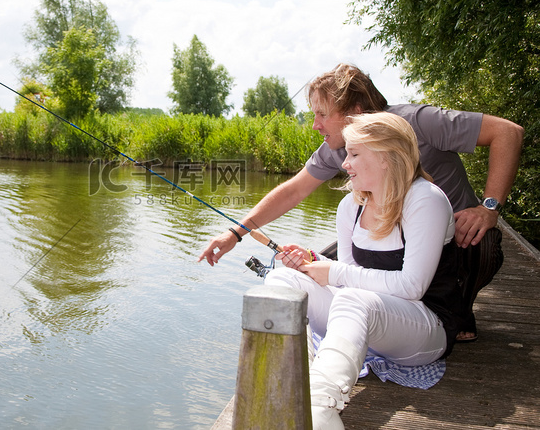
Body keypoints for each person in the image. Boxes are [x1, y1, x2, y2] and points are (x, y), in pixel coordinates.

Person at [198, 63, 524, 342]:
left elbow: (507, 133)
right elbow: (293, 191)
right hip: (386, 250)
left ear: (354, 112)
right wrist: (234, 234)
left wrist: (488, 207)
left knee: (479, 244)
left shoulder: (420, 121)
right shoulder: (338, 147)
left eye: (322, 114)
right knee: (314, 268)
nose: (315, 124)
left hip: (456, 248)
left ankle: (458, 314)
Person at [265, 112, 461, 429]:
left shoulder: (425, 199)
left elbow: (413, 287)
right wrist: (315, 268)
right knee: (283, 278)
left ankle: (320, 407)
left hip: (426, 328)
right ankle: (292, 378)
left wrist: (334, 272)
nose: (345, 164)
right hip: (366, 318)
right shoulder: (350, 207)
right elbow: (346, 282)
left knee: (355, 298)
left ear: (386, 157)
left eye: (355, 154)